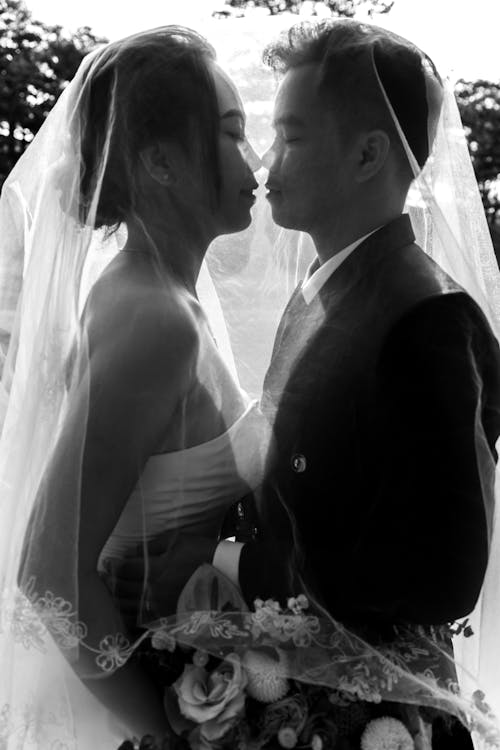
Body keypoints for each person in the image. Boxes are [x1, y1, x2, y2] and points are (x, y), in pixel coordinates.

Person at [115, 19, 500, 748]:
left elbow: (440, 574)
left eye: (290, 135)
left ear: (366, 153)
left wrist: (221, 562)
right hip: (301, 698)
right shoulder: (325, 287)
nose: (267, 159)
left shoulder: (429, 316)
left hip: (378, 719)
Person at [0, 25, 271, 746]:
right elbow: (50, 572)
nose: (256, 158)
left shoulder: (161, 293)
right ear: (158, 162)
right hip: (134, 709)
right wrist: (163, 732)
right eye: (230, 134)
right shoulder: (156, 321)